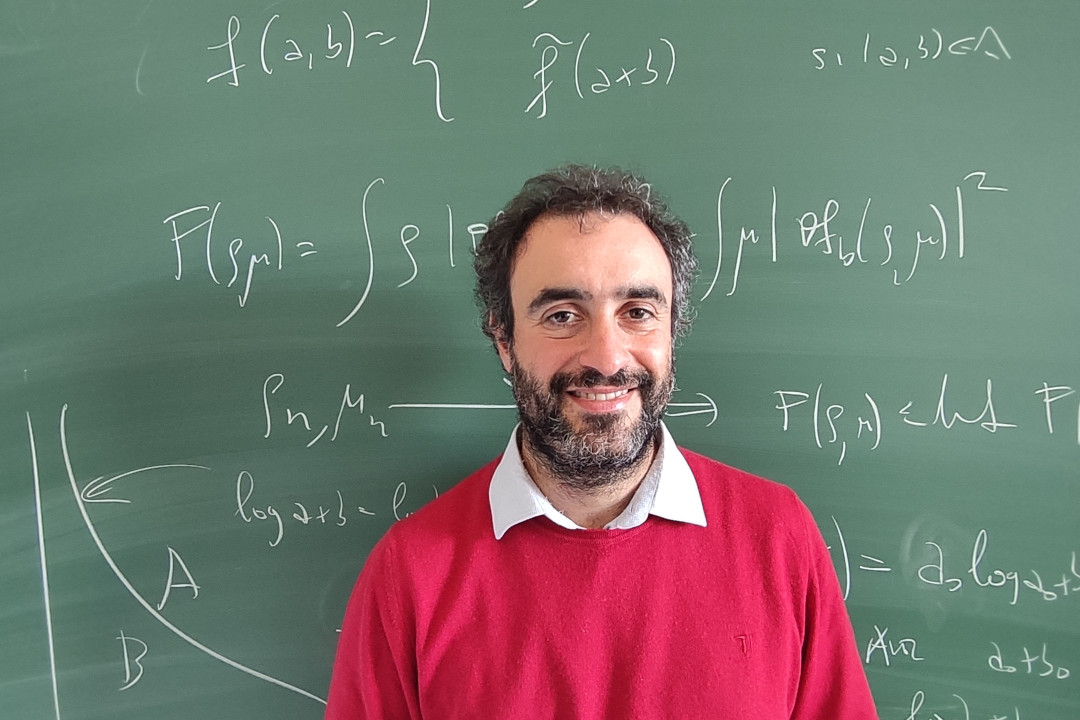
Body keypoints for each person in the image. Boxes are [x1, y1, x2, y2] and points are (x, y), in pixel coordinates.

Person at [325, 164, 878, 719]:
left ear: (672, 329)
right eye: (563, 315)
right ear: (504, 339)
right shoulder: (409, 577)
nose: (607, 358)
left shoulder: (779, 540)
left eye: (637, 313)